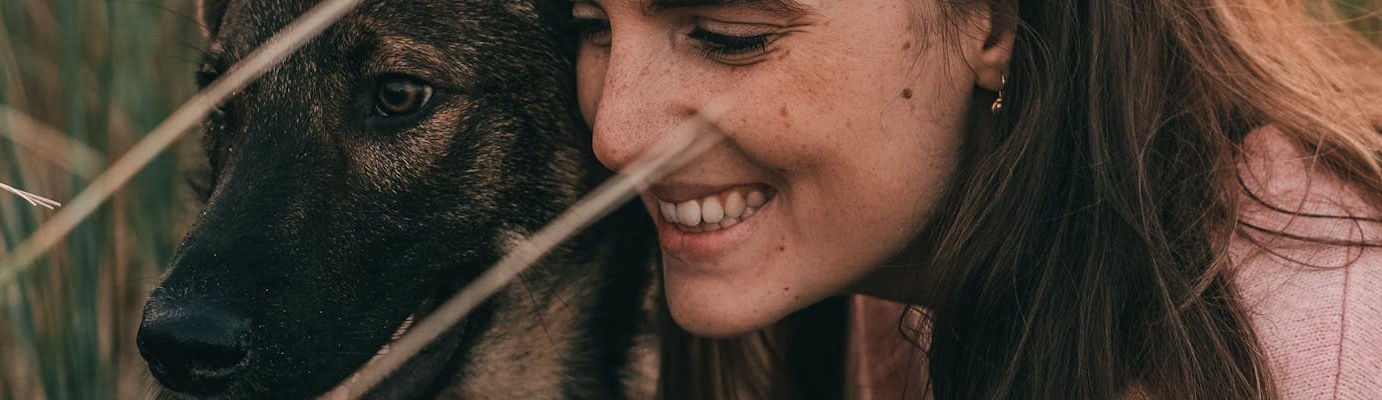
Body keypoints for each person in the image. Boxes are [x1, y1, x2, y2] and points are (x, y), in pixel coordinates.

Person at [567, 0, 1382, 398]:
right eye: (590, 25)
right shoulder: (915, 247)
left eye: (728, 36)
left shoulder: (1317, 360)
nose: (617, 133)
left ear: (991, 26)